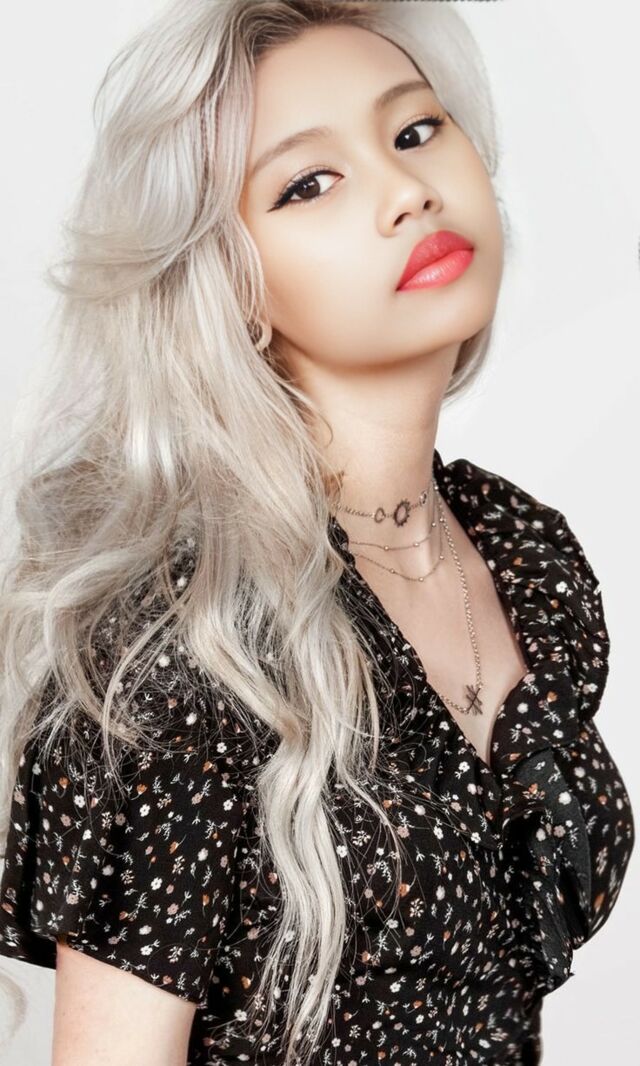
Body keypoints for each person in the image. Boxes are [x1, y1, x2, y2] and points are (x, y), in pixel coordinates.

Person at [0, 2, 634, 1064]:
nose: (406, 190)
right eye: (309, 183)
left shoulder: (526, 556)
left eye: (415, 130)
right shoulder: (185, 637)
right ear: (232, 285)